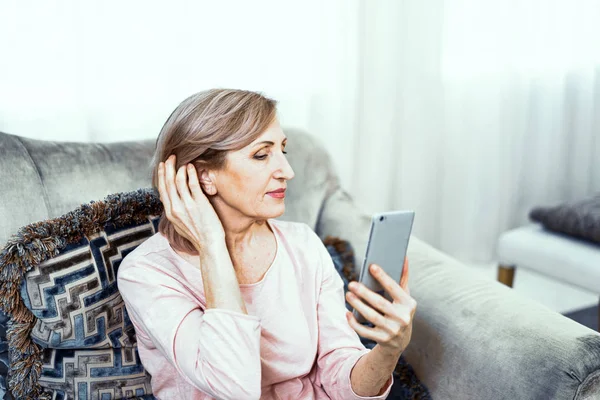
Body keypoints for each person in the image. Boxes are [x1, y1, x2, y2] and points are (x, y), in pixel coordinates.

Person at [117, 89, 417, 400]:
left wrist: (388, 351)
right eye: (262, 155)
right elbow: (234, 388)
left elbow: (339, 372)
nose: (288, 172)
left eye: (282, 151)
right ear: (204, 176)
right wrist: (211, 244)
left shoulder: (302, 245)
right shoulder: (147, 272)